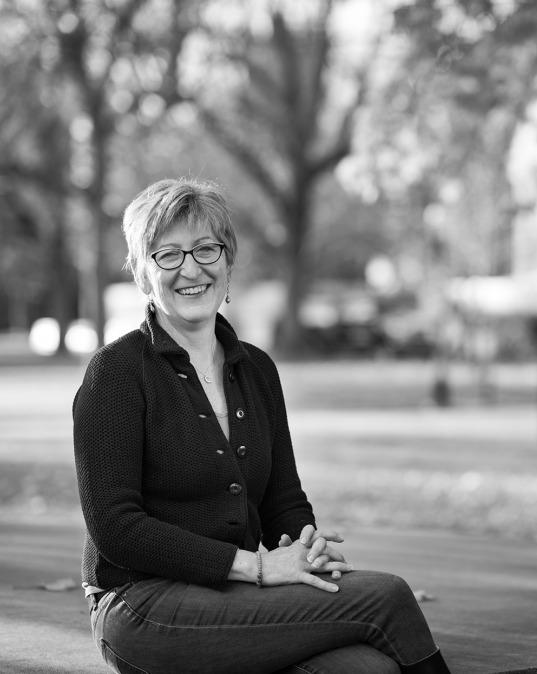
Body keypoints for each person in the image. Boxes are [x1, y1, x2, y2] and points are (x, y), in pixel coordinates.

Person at [73, 178, 452, 674]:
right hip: (142, 605)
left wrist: (304, 548)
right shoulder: (117, 372)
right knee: (386, 597)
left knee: (365, 670)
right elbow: (115, 528)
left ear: (229, 262)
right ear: (143, 275)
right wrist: (255, 566)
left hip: (236, 595)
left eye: (206, 249)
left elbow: (283, 500)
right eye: (167, 255)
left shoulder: (256, 368)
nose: (191, 268)